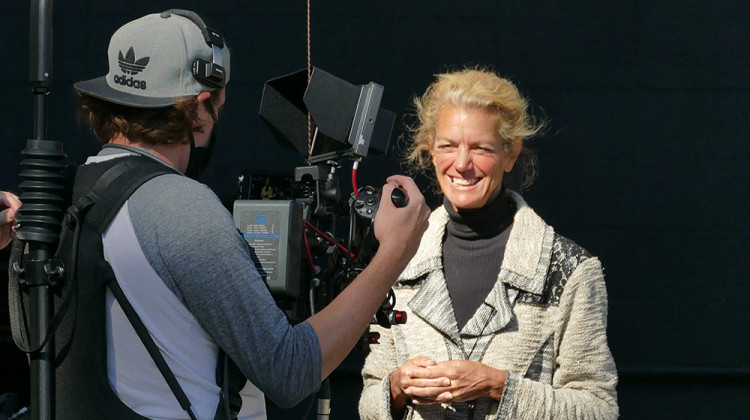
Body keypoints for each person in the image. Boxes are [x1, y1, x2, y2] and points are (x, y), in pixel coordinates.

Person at [66, 9, 429, 419]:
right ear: (201, 107)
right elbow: (289, 371)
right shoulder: (182, 206)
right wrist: (392, 254)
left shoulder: (62, 197)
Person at [359, 68, 618, 419]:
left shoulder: (569, 271)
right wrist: (396, 386)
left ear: (511, 153)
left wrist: (497, 385)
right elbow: (369, 397)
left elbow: (598, 409)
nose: (462, 164)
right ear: (430, 151)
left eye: (480, 148)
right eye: (448, 146)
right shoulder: (398, 259)